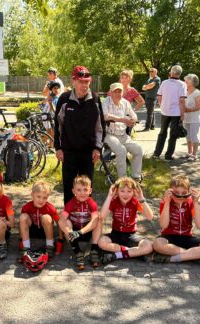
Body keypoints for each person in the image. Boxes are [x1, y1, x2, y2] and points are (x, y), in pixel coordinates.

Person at [54, 65, 105, 204]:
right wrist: (58, 148)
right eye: (81, 82)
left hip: (88, 152)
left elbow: (100, 126)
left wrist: (97, 148)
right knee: (69, 187)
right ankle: (68, 218)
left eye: (87, 82)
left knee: (86, 188)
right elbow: (58, 125)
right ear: (73, 81)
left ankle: (87, 217)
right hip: (68, 151)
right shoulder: (64, 99)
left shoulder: (94, 99)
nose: (84, 85)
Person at [152, 175, 200, 263]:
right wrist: (167, 202)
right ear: (170, 191)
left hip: (187, 237)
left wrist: (196, 203)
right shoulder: (166, 202)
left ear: (189, 192)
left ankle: (173, 258)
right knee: (157, 244)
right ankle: (193, 256)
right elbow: (164, 225)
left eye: (184, 193)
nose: (180, 196)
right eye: (176, 193)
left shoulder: (191, 202)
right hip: (169, 236)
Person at [98, 177, 154, 264]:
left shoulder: (135, 202)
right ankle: (135, 253)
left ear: (134, 192)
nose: (125, 194)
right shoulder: (114, 201)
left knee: (148, 246)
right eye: (122, 191)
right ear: (117, 191)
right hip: (115, 234)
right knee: (101, 242)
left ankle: (117, 255)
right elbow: (102, 216)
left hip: (131, 235)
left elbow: (150, 217)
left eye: (129, 191)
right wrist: (109, 196)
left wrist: (142, 199)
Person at [58, 175, 102, 270]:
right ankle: (77, 251)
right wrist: (69, 233)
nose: (82, 193)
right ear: (73, 191)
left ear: (90, 191)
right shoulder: (70, 203)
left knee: (98, 219)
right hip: (74, 234)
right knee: (67, 222)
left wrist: (81, 232)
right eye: (79, 190)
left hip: (86, 231)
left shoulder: (92, 203)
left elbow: (94, 222)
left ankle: (94, 249)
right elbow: (61, 221)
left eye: (85, 190)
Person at [102, 82, 143, 181]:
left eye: (119, 91)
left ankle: (135, 177)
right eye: (115, 92)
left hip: (123, 135)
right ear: (110, 93)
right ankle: (123, 179)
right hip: (109, 134)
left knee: (138, 150)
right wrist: (123, 119)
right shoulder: (106, 102)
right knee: (121, 151)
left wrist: (133, 120)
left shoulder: (125, 102)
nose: (117, 94)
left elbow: (133, 114)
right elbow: (105, 116)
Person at [152, 65, 186, 161]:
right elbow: (182, 100)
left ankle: (156, 154)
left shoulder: (164, 82)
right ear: (180, 74)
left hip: (165, 111)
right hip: (176, 112)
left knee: (162, 132)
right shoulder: (182, 84)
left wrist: (162, 106)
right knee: (173, 135)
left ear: (171, 72)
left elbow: (159, 97)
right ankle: (168, 156)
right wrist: (182, 114)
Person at [19, 180, 60, 259]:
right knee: (23, 217)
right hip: (32, 231)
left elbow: (59, 223)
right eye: (38, 196)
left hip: (45, 232)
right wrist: (20, 239)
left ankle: (50, 246)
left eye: (44, 198)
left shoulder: (50, 208)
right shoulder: (26, 207)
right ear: (32, 195)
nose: (41, 200)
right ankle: (26, 248)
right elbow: (22, 224)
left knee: (46, 217)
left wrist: (61, 240)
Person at [183, 73, 200, 161]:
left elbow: (199, 106)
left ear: (192, 82)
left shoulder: (196, 92)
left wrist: (188, 110)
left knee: (194, 136)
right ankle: (189, 152)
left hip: (194, 118)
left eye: (187, 79)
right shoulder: (184, 91)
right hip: (186, 118)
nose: (185, 81)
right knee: (188, 136)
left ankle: (194, 154)